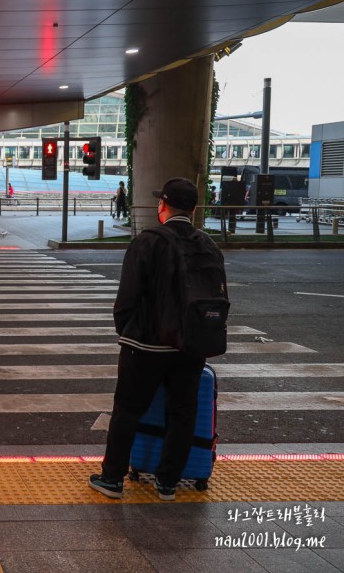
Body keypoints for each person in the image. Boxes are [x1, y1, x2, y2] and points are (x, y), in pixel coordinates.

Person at [89, 177, 227, 502]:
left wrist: (128, 331)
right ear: (194, 208)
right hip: (192, 346)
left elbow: (126, 298)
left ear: (162, 205)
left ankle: (112, 478)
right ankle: (168, 482)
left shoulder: (148, 241)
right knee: (182, 412)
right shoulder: (208, 244)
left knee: (127, 410)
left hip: (146, 345)